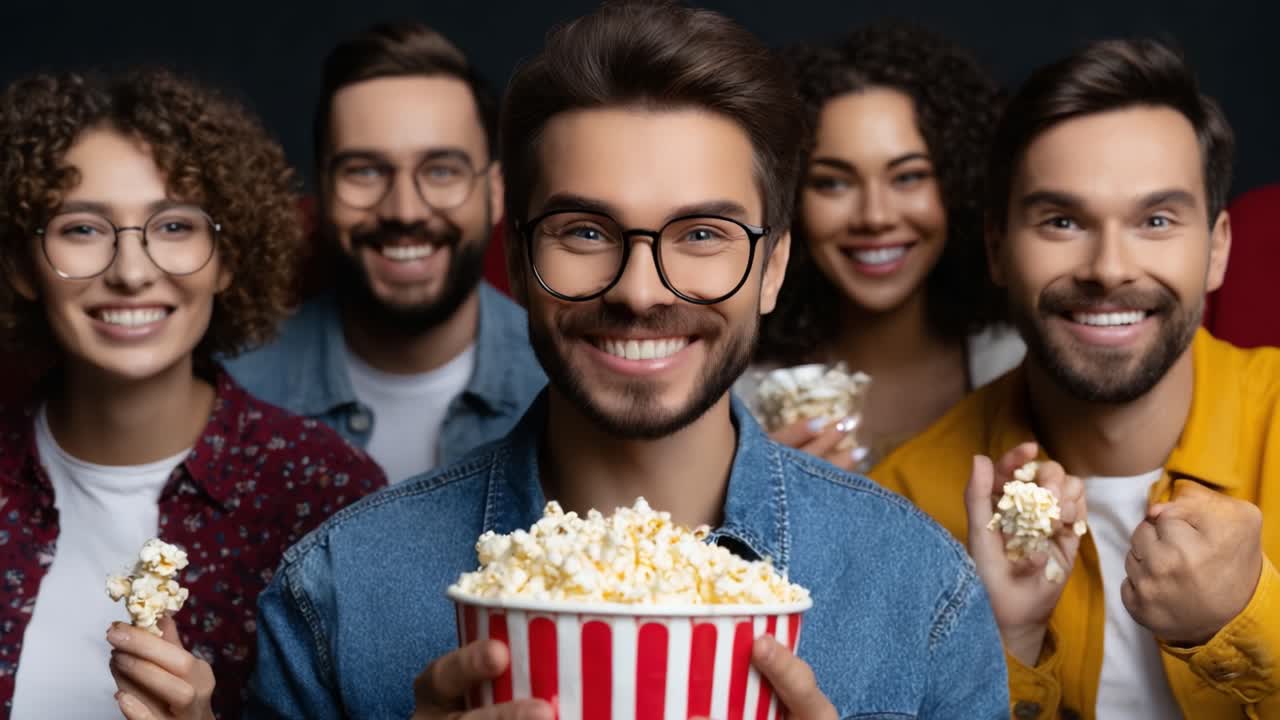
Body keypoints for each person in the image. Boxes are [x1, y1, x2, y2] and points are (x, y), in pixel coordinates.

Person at [244, 2, 1008, 718]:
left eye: (703, 234)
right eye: (585, 232)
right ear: (516, 252)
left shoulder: (920, 592)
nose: (640, 292)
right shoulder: (338, 591)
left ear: (772, 268)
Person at [871, 39, 1279, 719]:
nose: (1109, 268)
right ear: (999, 249)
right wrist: (1004, 643)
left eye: (1155, 220)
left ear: (1217, 250)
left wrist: (1247, 622)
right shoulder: (901, 510)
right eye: (1062, 221)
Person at [0, 68, 386, 719]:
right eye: (82, 229)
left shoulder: (328, 495)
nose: (130, 271)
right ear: (22, 266)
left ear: (226, 257)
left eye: (174, 227)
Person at [226, 21, 545, 484]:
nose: (404, 210)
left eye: (441, 171)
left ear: (495, 193)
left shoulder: (563, 388)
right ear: (322, 191)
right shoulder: (234, 395)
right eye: (365, 171)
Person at [744, 23, 1023, 473]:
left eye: (908, 176)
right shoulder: (740, 395)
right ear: (792, 200)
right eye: (833, 182)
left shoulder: (1023, 370)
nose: (874, 216)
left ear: (959, 185)